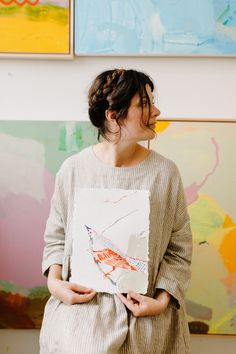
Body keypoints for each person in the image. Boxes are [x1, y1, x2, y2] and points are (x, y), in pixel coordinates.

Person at [39, 69, 192, 354]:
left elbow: (179, 249)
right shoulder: (73, 170)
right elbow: (56, 237)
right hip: (81, 324)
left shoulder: (165, 173)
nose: (156, 111)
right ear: (113, 115)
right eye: (144, 103)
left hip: (150, 325)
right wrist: (55, 284)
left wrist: (160, 301)